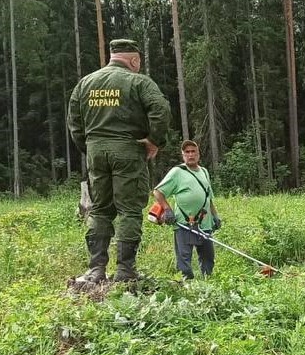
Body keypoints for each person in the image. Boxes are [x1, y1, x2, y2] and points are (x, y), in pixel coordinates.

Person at [67, 38, 171, 283]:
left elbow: (74, 123)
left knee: (100, 210)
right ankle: (125, 271)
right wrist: (154, 140)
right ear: (134, 59)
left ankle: (96, 270)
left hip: (96, 151)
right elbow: (161, 110)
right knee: (129, 210)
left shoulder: (85, 83)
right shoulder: (139, 82)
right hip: (128, 151)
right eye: (138, 62)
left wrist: (91, 147)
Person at [153, 140, 221, 279]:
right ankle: (186, 285)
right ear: (183, 155)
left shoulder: (204, 172)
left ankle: (208, 282)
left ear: (198, 154)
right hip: (184, 223)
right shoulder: (177, 172)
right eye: (187, 152)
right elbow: (158, 192)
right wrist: (167, 210)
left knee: (208, 257)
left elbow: (208, 197)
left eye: (193, 151)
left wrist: (215, 216)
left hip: (204, 222)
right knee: (184, 260)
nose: (190, 155)